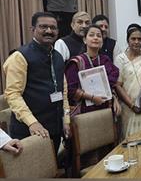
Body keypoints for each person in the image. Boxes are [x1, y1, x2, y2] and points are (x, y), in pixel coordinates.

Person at [3, 12, 70, 153]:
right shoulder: (19, 56)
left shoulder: (57, 56)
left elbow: (63, 90)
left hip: (55, 127)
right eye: (43, 27)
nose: (49, 31)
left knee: (52, 171)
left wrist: (66, 120)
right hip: (29, 130)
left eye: (53, 28)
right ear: (33, 29)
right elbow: (13, 95)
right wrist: (32, 123)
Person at [64, 24, 120, 116]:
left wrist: (115, 99)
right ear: (85, 40)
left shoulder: (105, 60)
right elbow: (71, 90)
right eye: (91, 35)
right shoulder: (76, 62)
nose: (95, 38)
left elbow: (111, 84)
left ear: (102, 41)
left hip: (105, 108)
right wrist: (92, 98)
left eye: (99, 36)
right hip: (84, 111)